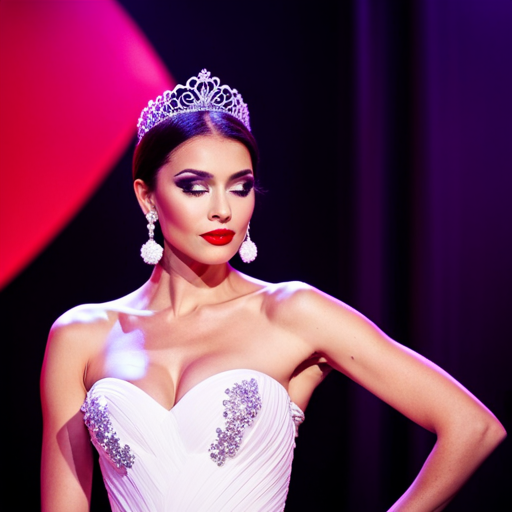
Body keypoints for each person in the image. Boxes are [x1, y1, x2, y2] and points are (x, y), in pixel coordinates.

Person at [40, 69, 506, 512]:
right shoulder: (81, 335)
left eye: (239, 188)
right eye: (194, 187)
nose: (222, 209)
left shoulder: (292, 312)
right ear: (147, 197)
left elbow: (472, 427)